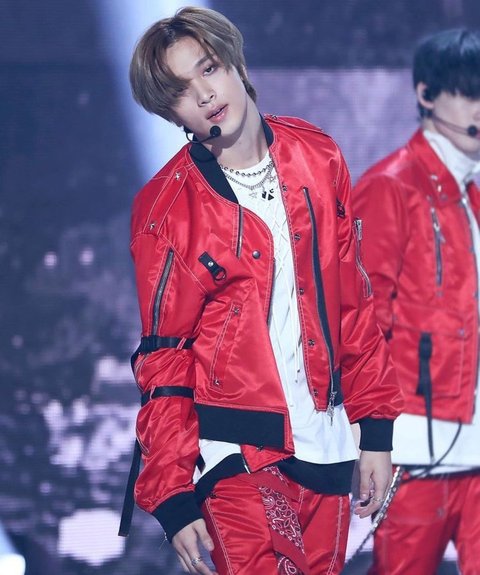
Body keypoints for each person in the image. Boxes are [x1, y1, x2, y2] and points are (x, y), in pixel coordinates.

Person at [120, 7, 402, 575]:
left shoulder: (317, 156)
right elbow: (165, 357)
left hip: (324, 439)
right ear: (170, 112)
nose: (204, 94)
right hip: (233, 450)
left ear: (236, 65)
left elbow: (352, 302)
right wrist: (172, 491)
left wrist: (376, 430)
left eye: (208, 69)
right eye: (181, 91)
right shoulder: (167, 209)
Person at [352, 28, 480, 575]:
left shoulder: (473, 191)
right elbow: (362, 324)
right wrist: (374, 439)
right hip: (418, 451)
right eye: (469, 92)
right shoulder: (391, 186)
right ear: (426, 94)